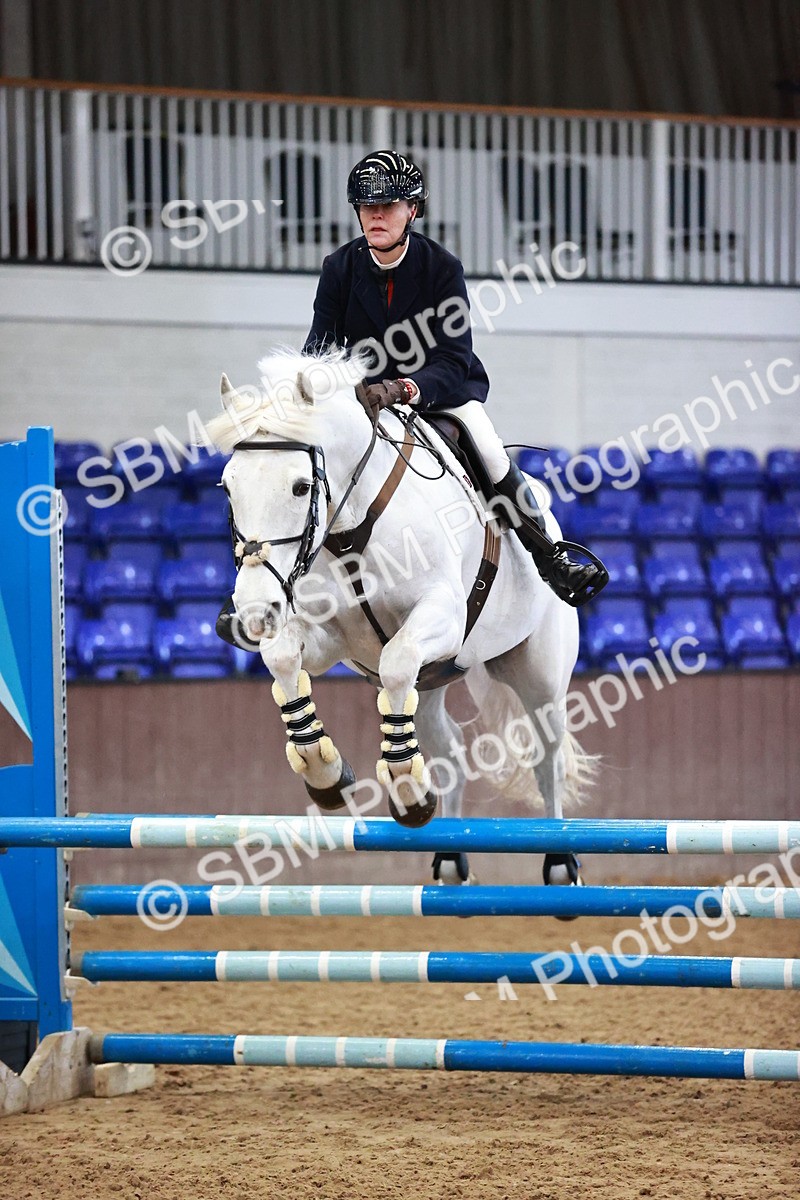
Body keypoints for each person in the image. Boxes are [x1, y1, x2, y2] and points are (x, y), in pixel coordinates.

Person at [303, 150, 606, 606]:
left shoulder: (441, 268)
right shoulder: (339, 268)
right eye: (368, 207)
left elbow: (453, 357)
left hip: (437, 392)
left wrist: (405, 388)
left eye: (388, 205)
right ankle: (269, 582)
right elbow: (319, 349)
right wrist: (325, 388)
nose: (376, 215)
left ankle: (549, 557)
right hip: (364, 399)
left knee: (485, 446)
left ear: (413, 210)